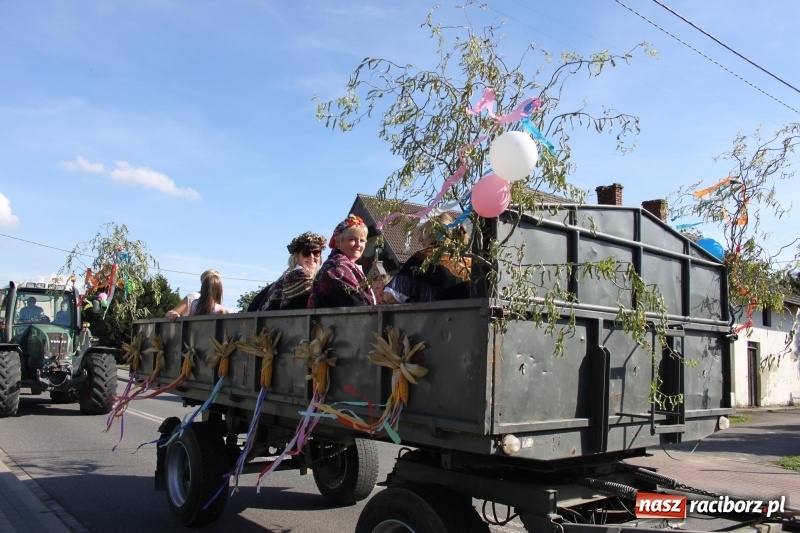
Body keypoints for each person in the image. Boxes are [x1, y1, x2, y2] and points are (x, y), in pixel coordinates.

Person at [383, 213, 472, 304]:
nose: (419, 239)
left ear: (435, 232)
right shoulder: (469, 261)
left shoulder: (423, 257)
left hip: (432, 317)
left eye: (424, 232)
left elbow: (389, 296)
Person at [309, 214, 376, 308]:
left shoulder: (346, 265)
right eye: (352, 239)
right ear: (338, 242)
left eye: (362, 240)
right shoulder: (336, 268)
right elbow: (356, 306)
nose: (358, 245)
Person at [261, 231, 327, 310]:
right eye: (306, 253)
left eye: (316, 252)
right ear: (296, 255)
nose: (312, 257)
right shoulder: (298, 276)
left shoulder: (288, 274)